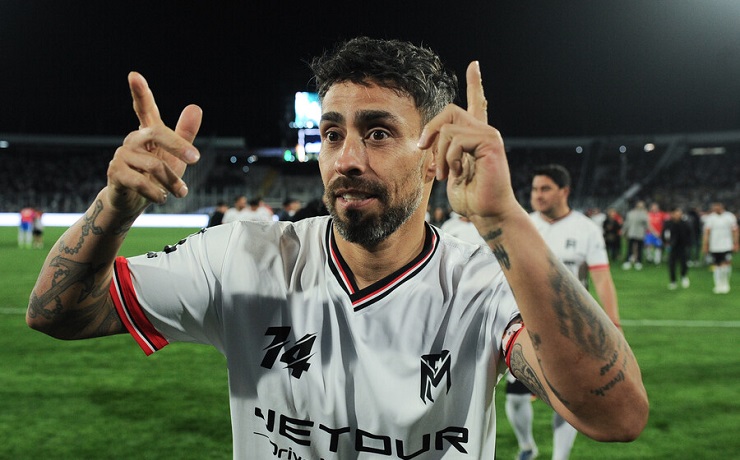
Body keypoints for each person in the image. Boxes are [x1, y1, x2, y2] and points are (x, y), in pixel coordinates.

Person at [26, 37, 647, 459]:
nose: (346, 159)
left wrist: (502, 217)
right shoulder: (243, 256)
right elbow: (59, 313)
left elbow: (616, 416)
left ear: (432, 156)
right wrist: (116, 204)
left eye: (377, 133)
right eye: (331, 134)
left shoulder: (481, 286)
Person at [505, 164, 623, 460]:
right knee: (516, 399)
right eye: (535, 189)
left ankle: (560, 457)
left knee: (570, 401)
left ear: (564, 191)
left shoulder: (586, 229)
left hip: (572, 330)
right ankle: (527, 446)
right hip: (527, 329)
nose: (537, 195)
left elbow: (602, 278)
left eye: (545, 189)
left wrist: (614, 326)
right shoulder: (522, 226)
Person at [702, 201, 739, 294]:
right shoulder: (710, 218)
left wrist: (736, 243)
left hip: (726, 245)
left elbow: (735, 230)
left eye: (717, 206)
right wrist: (706, 245)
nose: (715, 208)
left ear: (721, 206)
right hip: (714, 246)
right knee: (717, 265)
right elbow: (707, 232)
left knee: (725, 264)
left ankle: (725, 283)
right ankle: (718, 284)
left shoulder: (729, 216)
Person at [661, 206, 692, 290]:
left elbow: (689, 234)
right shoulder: (668, 223)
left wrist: (688, 244)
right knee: (671, 264)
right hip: (672, 247)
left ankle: (683, 276)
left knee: (684, 263)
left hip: (682, 246)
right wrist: (665, 243)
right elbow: (664, 233)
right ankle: (673, 281)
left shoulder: (684, 223)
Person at [622, 201, 649, 270]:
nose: (640, 207)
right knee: (630, 248)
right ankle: (628, 261)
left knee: (640, 248)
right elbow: (627, 223)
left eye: (642, 206)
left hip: (640, 233)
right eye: (639, 206)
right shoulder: (630, 213)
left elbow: (646, 223)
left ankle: (638, 262)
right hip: (631, 233)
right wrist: (623, 230)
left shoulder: (644, 214)